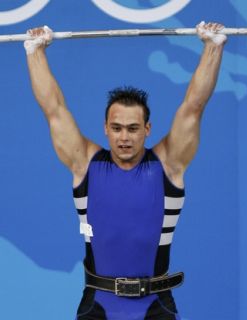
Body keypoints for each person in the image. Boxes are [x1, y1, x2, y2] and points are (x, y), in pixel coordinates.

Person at [25, 21, 226, 320]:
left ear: (147, 129)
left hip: (156, 305)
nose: (124, 137)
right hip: (98, 306)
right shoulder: (86, 164)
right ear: (105, 129)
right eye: (116, 128)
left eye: (133, 129)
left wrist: (213, 46)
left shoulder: (168, 164)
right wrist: (34, 51)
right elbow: (54, 110)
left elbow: (193, 106)